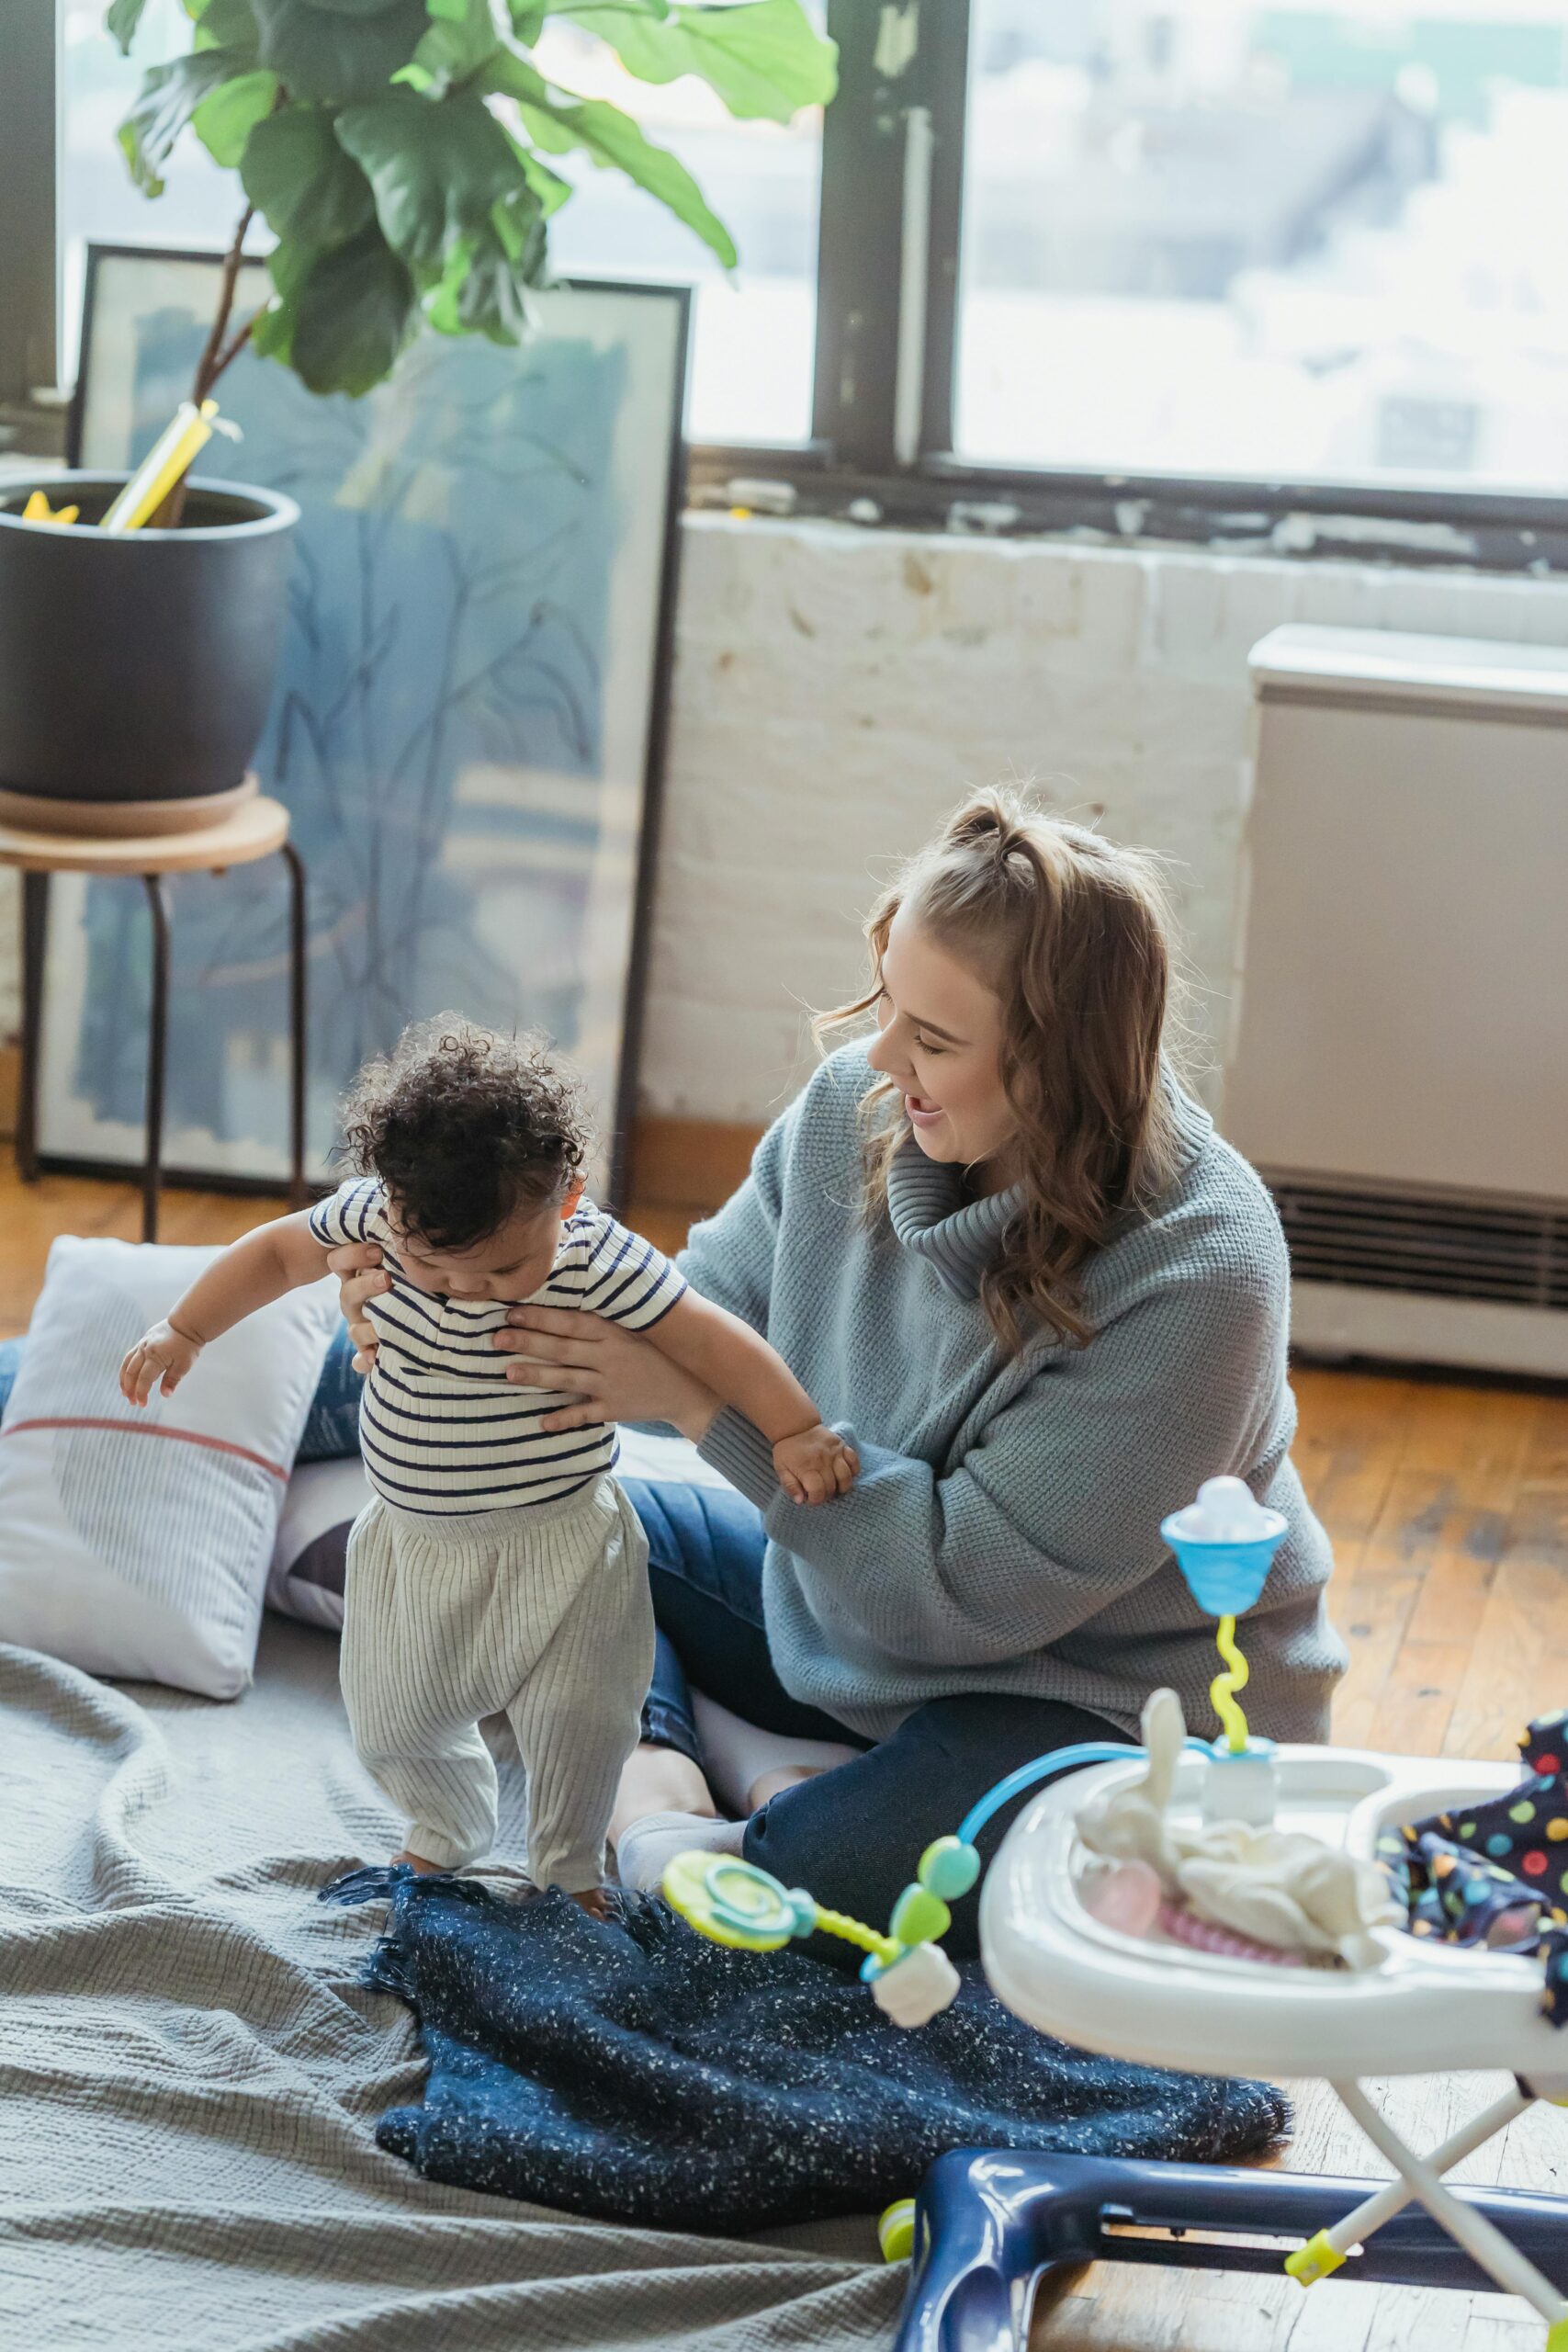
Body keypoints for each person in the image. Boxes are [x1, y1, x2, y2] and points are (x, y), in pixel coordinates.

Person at [326, 789, 1347, 1956]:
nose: (882, 1055)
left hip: (1100, 1705)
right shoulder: (850, 1117)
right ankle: (672, 1775)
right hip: (864, 1633)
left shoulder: (1200, 1273)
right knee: (568, 1523)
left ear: (1061, 1066)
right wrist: (433, 1284)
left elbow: (961, 1596)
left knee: (901, 1862)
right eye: (888, 1006)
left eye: (935, 1039)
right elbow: (678, 1315)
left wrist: (698, 1404)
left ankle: (731, 1815)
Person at [118, 1018, 857, 1913]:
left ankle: (570, 1866)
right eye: (437, 1268)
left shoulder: (595, 1255)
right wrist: (185, 1326)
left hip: (567, 1543)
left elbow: (711, 1338)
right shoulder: (377, 1218)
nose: (467, 1289)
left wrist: (797, 1429)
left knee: (584, 1724)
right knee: (394, 1720)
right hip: (412, 1548)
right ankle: (445, 1828)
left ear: (571, 1196)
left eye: (502, 1269)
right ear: (391, 1205)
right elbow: (278, 1250)